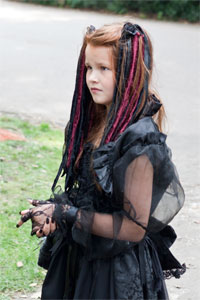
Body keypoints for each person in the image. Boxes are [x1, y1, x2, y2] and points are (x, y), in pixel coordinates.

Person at [17, 22, 186, 299]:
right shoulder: (94, 120)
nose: (92, 78)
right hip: (79, 260)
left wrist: (67, 215)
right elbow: (91, 197)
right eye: (88, 68)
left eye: (104, 69)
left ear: (131, 74)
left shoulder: (140, 140)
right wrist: (54, 211)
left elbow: (133, 228)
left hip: (115, 275)